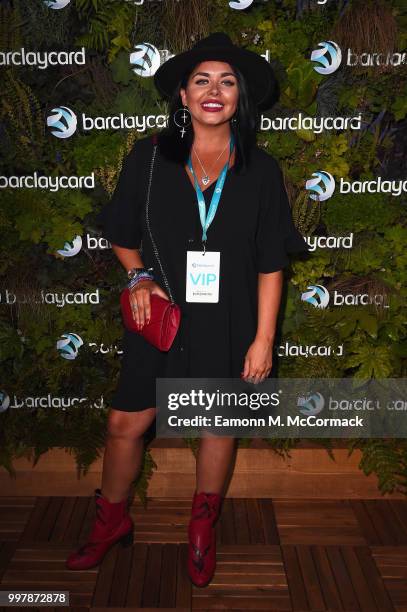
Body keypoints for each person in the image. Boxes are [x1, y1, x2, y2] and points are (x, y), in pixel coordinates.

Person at [66, 32, 309, 587]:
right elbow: (121, 235)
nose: (213, 90)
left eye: (227, 81)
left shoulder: (261, 171)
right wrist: (139, 276)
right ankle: (111, 522)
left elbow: (273, 263)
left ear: (240, 97)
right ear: (183, 95)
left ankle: (201, 530)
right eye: (201, 80)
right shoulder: (149, 158)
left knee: (216, 425)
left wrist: (263, 339)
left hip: (230, 319)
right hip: (163, 318)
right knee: (125, 423)